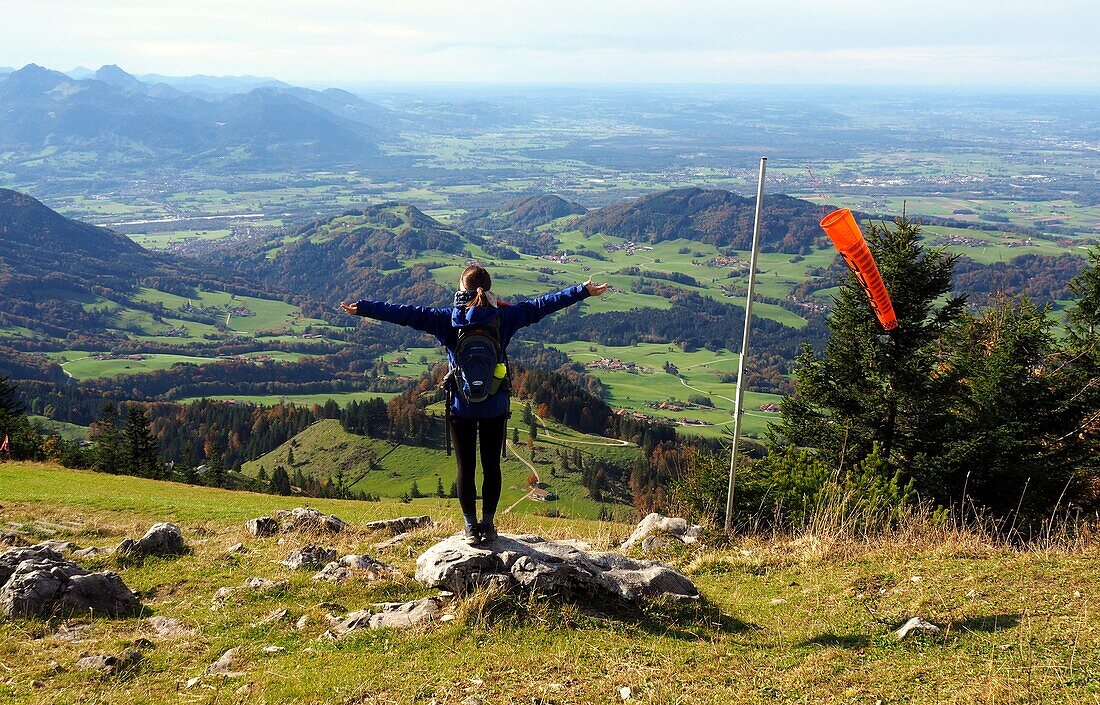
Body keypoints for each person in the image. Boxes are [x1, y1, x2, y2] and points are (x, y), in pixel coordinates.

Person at [342, 264, 607, 545]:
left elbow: (404, 314)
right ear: (489, 289)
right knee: (492, 467)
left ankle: (470, 528)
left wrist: (364, 308)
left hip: (461, 405)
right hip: (495, 406)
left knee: (465, 468)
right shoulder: (504, 316)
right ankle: (489, 525)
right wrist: (581, 291)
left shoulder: (446, 319)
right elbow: (542, 305)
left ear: (460, 290)